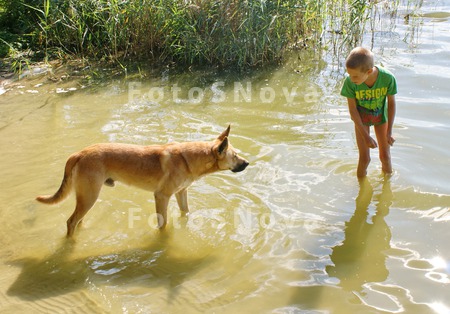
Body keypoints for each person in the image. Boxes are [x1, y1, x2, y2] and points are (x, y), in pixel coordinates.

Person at [341, 47, 397, 178]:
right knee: (365, 158)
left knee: (385, 156)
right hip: (361, 120)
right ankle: (361, 190)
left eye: (355, 76)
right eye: (349, 74)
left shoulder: (388, 78)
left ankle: (387, 187)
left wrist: (389, 131)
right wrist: (365, 136)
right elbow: (353, 110)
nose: (351, 78)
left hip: (381, 118)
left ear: (369, 71)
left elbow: (392, 104)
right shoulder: (350, 82)